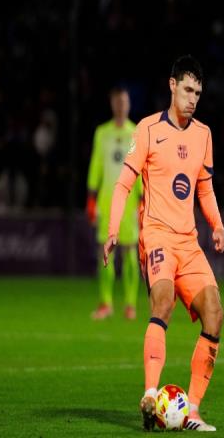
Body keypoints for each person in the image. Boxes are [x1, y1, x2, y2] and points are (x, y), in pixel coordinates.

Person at [103, 55, 224, 431]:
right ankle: (150, 394)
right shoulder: (147, 129)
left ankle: (192, 411)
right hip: (156, 235)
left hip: (188, 242)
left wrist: (217, 225)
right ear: (172, 86)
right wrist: (113, 230)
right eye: (187, 90)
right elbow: (123, 184)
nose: (193, 99)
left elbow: (204, 188)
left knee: (215, 313)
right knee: (163, 301)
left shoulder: (203, 134)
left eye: (198, 93)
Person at [87, 86, 142, 320]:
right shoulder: (102, 133)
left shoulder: (136, 133)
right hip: (107, 201)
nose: (121, 106)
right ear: (112, 104)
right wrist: (91, 197)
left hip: (129, 202)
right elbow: (96, 164)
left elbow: (141, 168)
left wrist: (143, 200)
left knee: (130, 252)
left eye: (124, 102)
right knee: (105, 252)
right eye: (117, 102)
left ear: (128, 104)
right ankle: (106, 303)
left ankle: (130, 304)